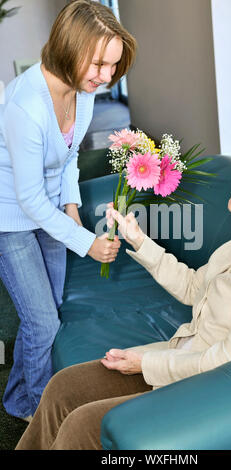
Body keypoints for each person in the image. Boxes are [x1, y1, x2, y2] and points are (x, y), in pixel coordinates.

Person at [15, 146, 231, 450]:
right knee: (64, 386)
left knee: (82, 426)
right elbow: (192, 287)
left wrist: (146, 363)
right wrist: (137, 238)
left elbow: (228, 364)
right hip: (181, 359)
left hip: (210, 391)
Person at [0, 0, 136, 422]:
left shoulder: (84, 93)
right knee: (41, 321)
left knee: (47, 312)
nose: (106, 76)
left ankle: (20, 391)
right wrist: (84, 242)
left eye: (113, 67)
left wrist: (72, 206)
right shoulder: (26, 106)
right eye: (98, 64)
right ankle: (31, 409)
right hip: (11, 217)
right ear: (68, 47)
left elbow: (71, 158)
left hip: (51, 211)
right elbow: (28, 200)